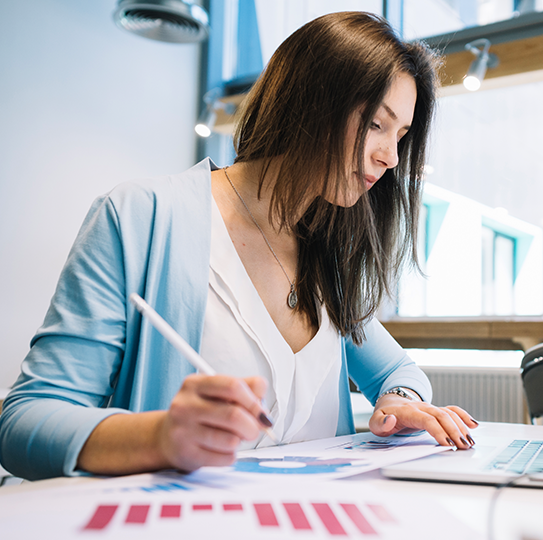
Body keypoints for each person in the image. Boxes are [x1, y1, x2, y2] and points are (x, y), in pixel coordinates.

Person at [0, 11, 477, 481]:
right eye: (376, 124)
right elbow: (24, 421)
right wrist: (160, 437)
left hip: (319, 518)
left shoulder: (326, 254)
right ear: (310, 102)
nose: (391, 157)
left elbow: (398, 371)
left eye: (401, 136)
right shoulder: (139, 216)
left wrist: (400, 403)